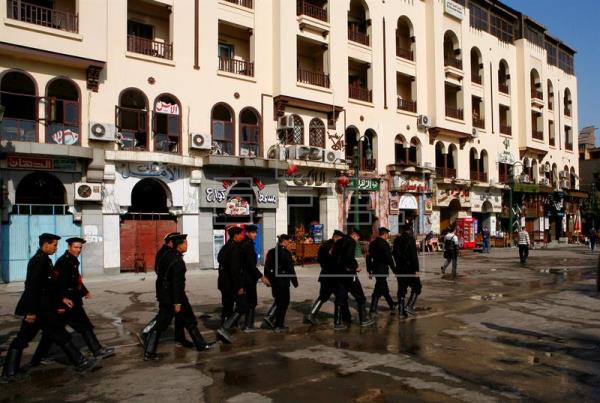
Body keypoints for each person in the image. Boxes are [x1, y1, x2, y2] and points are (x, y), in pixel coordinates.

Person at [2, 234, 96, 382]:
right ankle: (9, 373)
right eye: (54, 245)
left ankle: (80, 362)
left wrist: (61, 299)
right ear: (45, 244)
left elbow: (49, 287)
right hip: (38, 310)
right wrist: (31, 312)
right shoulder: (39, 261)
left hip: (43, 309)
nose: (55, 248)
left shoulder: (45, 260)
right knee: (35, 337)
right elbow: (32, 288)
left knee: (54, 334)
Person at [30, 237, 115, 366]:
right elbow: (59, 284)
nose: (78, 250)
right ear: (69, 247)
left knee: (52, 331)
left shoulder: (71, 260)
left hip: (70, 299)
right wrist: (61, 301)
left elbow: (75, 281)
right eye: (76, 247)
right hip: (69, 301)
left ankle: (37, 359)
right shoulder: (64, 262)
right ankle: (96, 350)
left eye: (80, 247)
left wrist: (84, 291)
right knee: (83, 325)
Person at [143, 234, 213, 360]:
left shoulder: (166, 255)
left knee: (179, 319)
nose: (187, 245)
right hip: (175, 297)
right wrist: (177, 302)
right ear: (178, 245)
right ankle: (149, 352)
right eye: (185, 243)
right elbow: (176, 283)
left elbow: (160, 273)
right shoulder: (177, 261)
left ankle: (200, 344)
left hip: (165, 294)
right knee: (174, 321)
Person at [138, 232, 192, 348]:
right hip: (168, 291)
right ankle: (147, 334)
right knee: (164, 316)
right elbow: (162, 271)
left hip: (167, 290)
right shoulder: (167, 253)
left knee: (175, 316)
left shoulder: (166, 252)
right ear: (171, 242)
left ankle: (180, 337)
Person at [334, 228, 375, 329]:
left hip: (339, 273)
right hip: (349, 274)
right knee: (360, 296)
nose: (357, 240)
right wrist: (355, 266)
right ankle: (363, 319)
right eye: (357, 238)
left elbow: (335, 257)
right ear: (355, 236)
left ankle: (338, 322)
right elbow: (349, 257)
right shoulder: (351, 242)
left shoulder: (339, 242)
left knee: (340, 297)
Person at [304, 230, 345, 325]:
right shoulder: (333, 246)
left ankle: (312, 314)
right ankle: (338, 321)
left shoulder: (324, 245)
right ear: (336, 237)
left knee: (324, 295)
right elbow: (335, 260)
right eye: (340, 239)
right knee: (339, 296)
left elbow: (319, 259)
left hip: (325, 274)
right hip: (333, 275)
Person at [216, 227, 248, 344]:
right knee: (243, 306)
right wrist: (239, 286)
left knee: (227, 307)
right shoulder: (235, 249)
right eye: (241, 234)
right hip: (232, 284)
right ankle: (224, 328)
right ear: (236, 236)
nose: (242, 236)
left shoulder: (225, 247)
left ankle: (223, 331)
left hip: (224, 283)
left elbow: (221, 263)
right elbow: (234, 270)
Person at [264, 235, 298, 332]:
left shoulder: (271, 252)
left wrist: (268, 280)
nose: (289, 243)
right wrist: (295, 281)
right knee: (284, 303)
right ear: (284, 241)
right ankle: (279, 325)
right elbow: (290, 268)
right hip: (283, 282)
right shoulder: (286, 253)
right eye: (288, 241)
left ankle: (273, 321)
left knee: (278, 302)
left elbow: (267, 267)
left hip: (274, 281)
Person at [239, 225, 270, 332]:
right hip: (248, 278)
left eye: (255, 232)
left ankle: (248, 324)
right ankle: (248, 325)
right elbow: (250, 265)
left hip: (246, 277)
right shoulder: (247, 245)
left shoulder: (245, 244)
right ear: (247, 233)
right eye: (253, 232)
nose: (255, 234)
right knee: (251, 302)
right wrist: (261, 276)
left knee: (248, 302)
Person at [393, 223, 421, 317]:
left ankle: (401, 312)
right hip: (409, 269)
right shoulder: (410, 240)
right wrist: (416, 269)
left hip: (399, 268)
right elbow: (414, 256)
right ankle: (409, 306)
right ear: (409, 230)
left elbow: (394, 254)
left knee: (401, 289)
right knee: (417, 286)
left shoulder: (396, 240)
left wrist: (397, 265)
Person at [367, 227, 396, 316]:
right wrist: (394, 270)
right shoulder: (384, 244)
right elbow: (389, 258)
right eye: (387, 234)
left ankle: (391, 304)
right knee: (378, 288)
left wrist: (369, 270)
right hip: (382, 269)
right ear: (385, 234)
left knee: (383, 287)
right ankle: (373, 308)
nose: (388, 236)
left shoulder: (372, 243)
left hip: (375, 268)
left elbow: (368, 257)